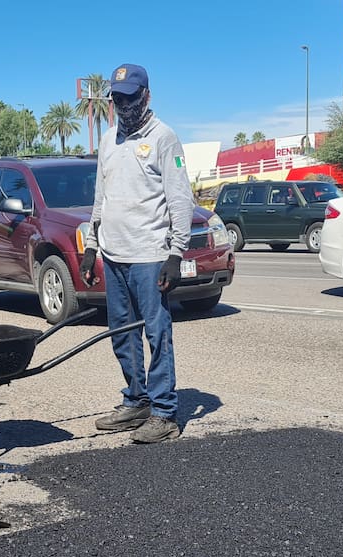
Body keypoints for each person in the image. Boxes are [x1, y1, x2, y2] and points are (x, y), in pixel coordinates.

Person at [79, 63, 194, 444]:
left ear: (146, 95)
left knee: (156, 333)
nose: (123, 104)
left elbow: (180, 198)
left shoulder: (164, 138)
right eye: (117, 98)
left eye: (130, 96)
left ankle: (164, 412)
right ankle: (136, 400)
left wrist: (176, 254)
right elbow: (101, 198)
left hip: (149, 254)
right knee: (121, 335)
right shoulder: (109, 140)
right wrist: (91, 247)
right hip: (113, 254)